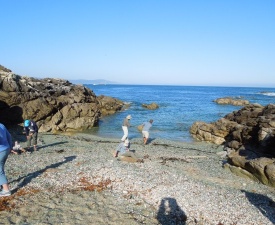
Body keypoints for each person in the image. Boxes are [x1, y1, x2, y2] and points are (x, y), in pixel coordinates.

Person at [0, 123, 12, 197]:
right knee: (1, 168)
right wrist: (10, 147)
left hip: (1, 150)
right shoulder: (1, 125)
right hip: (6, 149)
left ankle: (6, 190)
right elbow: (9, 136)